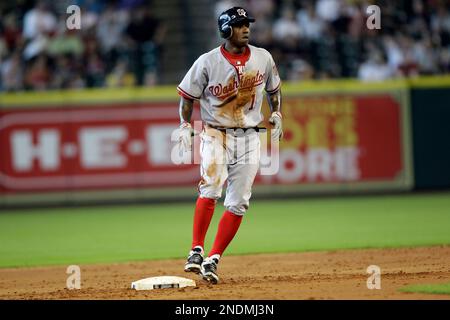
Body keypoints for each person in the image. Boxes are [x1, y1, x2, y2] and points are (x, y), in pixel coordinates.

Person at [177, 6, 282, 284]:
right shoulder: (207, 62)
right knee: (211, 187)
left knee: (238, 203)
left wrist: (277, 112)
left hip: (249, 136)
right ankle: (196, 250)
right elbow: (187, 97)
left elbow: (274, 89)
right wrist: (186, 124)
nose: (246, 28)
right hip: (216, 133)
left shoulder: (263, 57)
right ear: (225, 30)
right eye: (239, 25)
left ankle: (213, 258)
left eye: (247, 23)